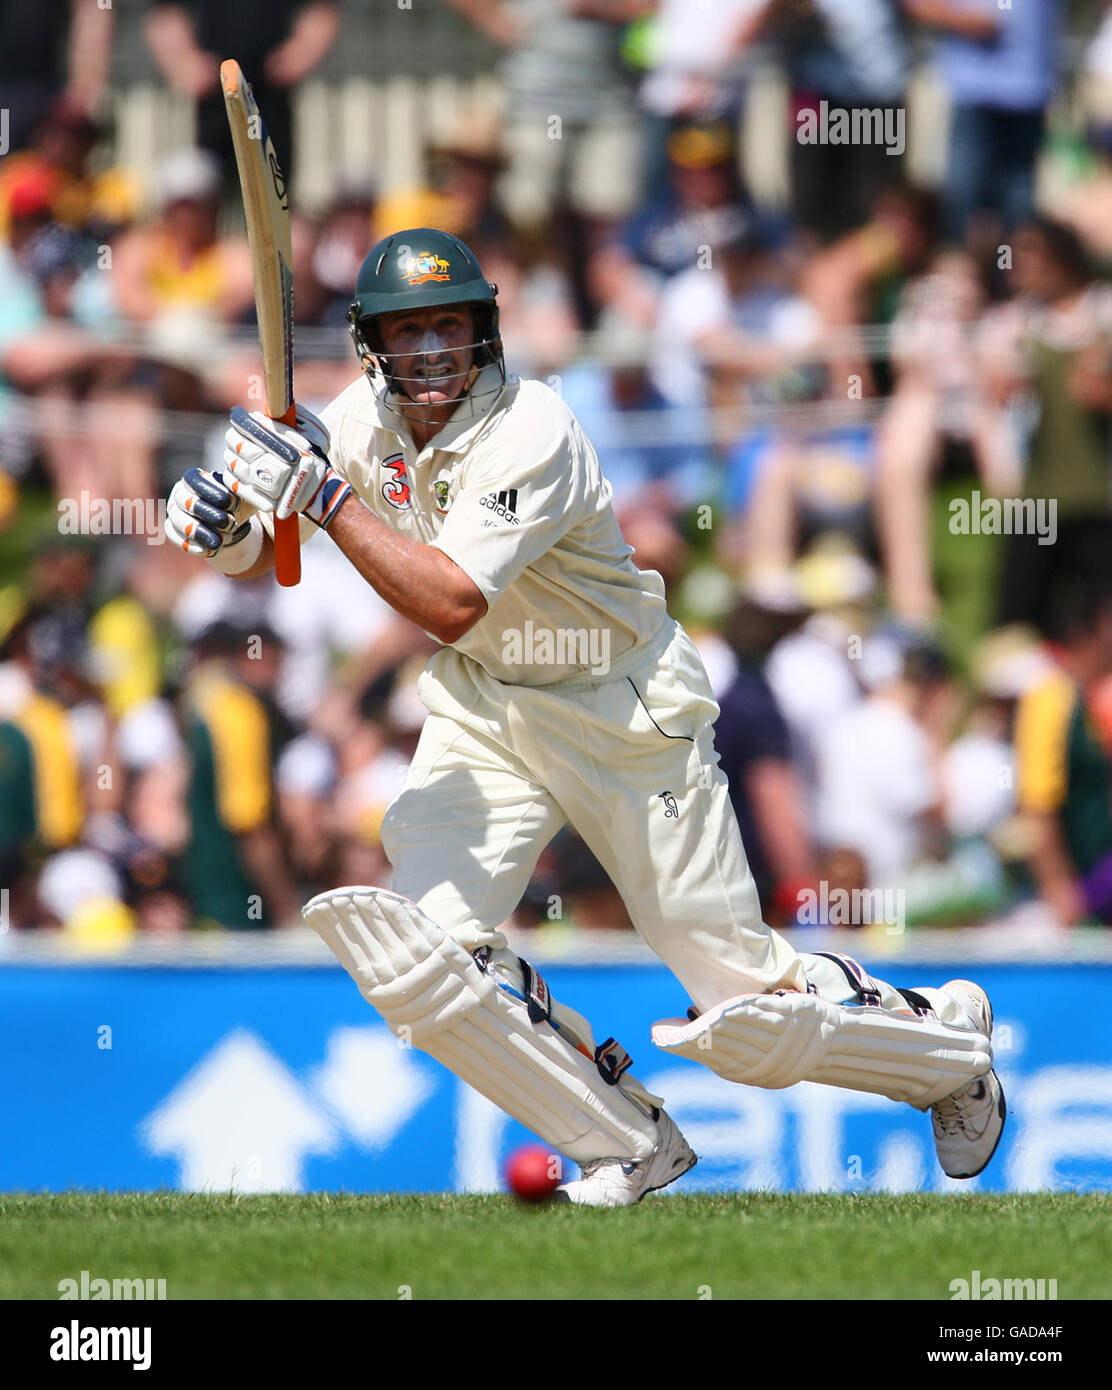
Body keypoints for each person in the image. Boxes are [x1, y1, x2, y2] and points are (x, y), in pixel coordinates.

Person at [165, 228, 1006, 1204]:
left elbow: (446, 602)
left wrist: (319, 491)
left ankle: (944, 1042)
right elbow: (261, 541)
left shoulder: (534, 430)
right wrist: (222, 523)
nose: (432, 349)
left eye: (450, 324)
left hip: (620, 708)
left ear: (483, 331)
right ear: (375, 347)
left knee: (744, 1018)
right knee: (423, 957)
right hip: (485, 706)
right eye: (409, 330)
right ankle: (621, 1138)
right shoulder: (359, 424)